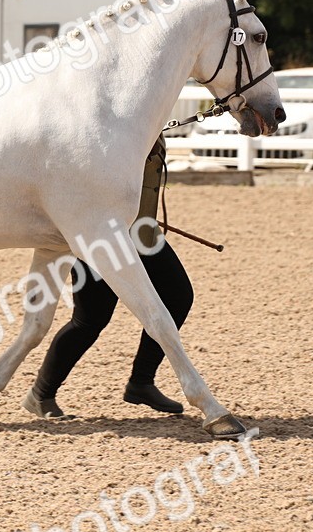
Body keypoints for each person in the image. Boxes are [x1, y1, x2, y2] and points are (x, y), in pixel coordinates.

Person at [23, 136, 192, 418]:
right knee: (92, 318)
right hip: (102, 235)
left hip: (142, 232)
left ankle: (140, 382)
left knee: (176, 296)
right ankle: (42, 394)